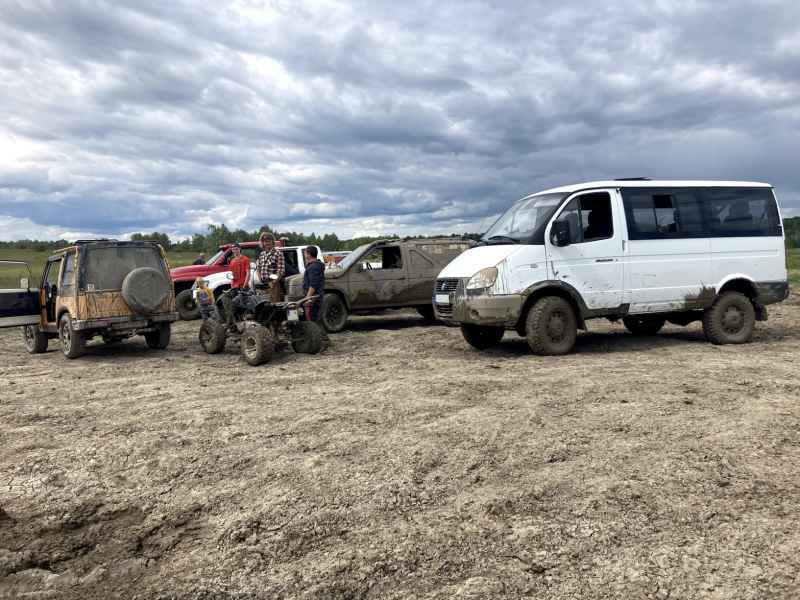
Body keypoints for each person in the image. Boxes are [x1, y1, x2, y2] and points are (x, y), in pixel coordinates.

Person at [301, 246, 329, 344]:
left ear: (309, 254)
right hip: (315, 296)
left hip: (314, 297)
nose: (305, 255)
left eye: (305, 253)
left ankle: (323, 341)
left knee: (314, 320)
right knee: (315, 319)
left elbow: (313, 284)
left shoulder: (314, 267)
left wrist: (308, 297)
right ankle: (323, 340)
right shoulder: (315, 265)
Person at [255, 232, 285, 302]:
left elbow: (281, 271)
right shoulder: (262, 254)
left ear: (272, 241)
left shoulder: (278, 253)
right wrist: (260, 279)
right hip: (263, 285)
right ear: (262, 243)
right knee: (265, 305)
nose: (266, 243)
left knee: (275, 305)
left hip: (273, 284)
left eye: (268, 241)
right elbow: (258, 268)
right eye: (264, 241)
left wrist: (274, 282)